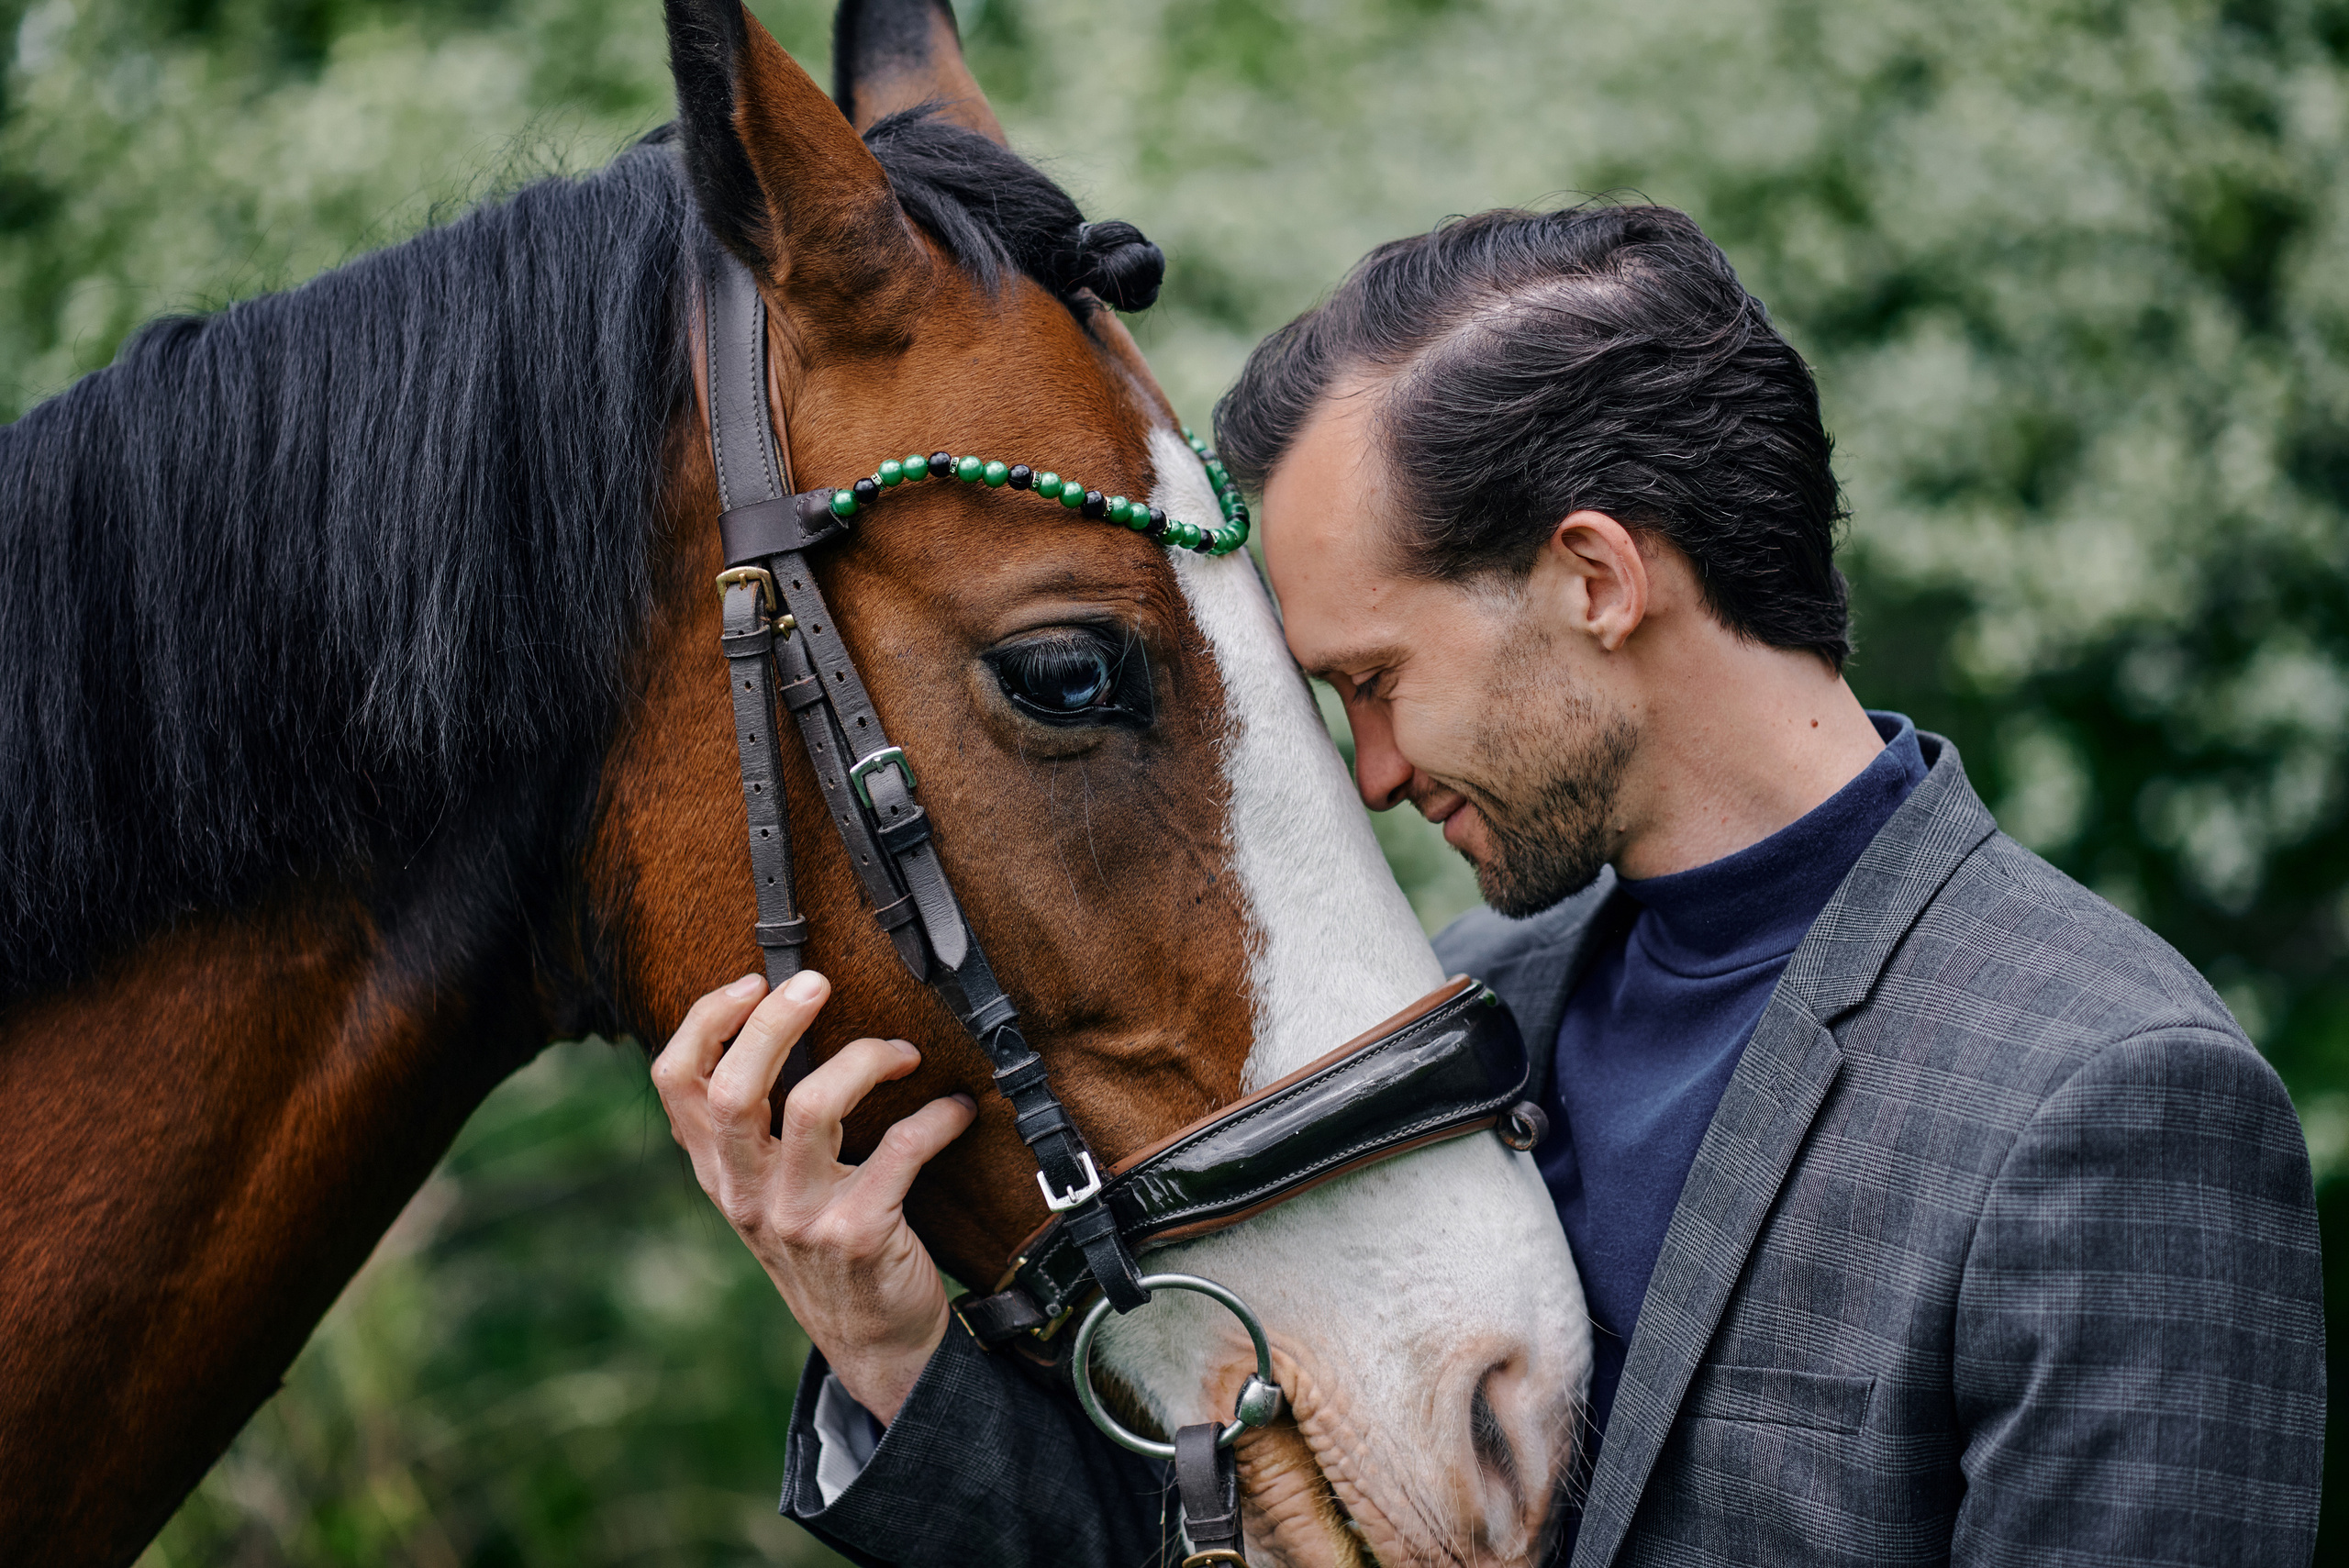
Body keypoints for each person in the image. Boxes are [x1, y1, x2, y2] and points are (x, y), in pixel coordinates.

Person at [651, 201, 2325, 1565]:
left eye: (1375, 679)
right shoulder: (1478, 993)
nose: (1373, 771)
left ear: (1594, 579)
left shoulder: (2107, 1098)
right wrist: (891, 1344)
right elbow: (1222, 1543)